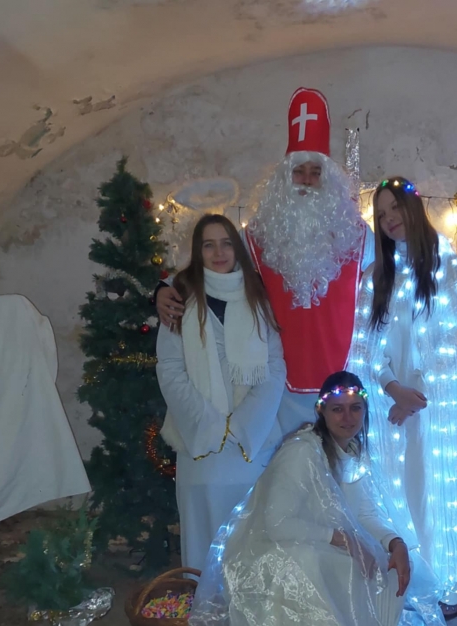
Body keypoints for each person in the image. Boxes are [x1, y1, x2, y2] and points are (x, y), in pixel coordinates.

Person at [189, 371, 454, 626]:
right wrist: (344, 540)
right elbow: (277, 524)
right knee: (330, 565)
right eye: (337, 409)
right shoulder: (302, 452)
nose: (347, 418)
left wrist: (395, 543)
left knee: (385, 565)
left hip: (316, 540)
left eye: (355, 408)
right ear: (321, 411)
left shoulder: (352, 451)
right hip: (272, 554)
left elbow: (365, 512)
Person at [157, 87, 372, 436]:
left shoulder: (358, 236)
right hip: (272, 385)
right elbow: (211, 268)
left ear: (328, 179)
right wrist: (162, 289)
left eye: (315, 172)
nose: (306, 181)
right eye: (298, 171)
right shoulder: (257, 236)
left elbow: (397, 283)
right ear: (284, 178)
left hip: (344, 385)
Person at [348, 177, 457, 619]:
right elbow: (366, 345)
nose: (390, 219)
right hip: (390, 409)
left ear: (413, 208)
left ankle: (444, 576)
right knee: (398, 490)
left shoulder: (445, 265)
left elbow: (450, 342)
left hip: (435, 408)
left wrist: (416, 397)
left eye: (395, 208)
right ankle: (405, 575)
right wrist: (392, 389)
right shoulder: (376, 277)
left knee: (434, 491)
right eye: (381, 214)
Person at [156, 214, 285, 571]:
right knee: (205, 546)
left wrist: (243, 426)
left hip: (252, 444)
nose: (219, 253)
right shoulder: (180, 299)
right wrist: (210, 426)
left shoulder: (257, 296)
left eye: (226, 243)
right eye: (208, 245)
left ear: (237, 248)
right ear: (198, 252)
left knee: (253, 542)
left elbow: (275, 366)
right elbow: (170, 368)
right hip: (200, 444)